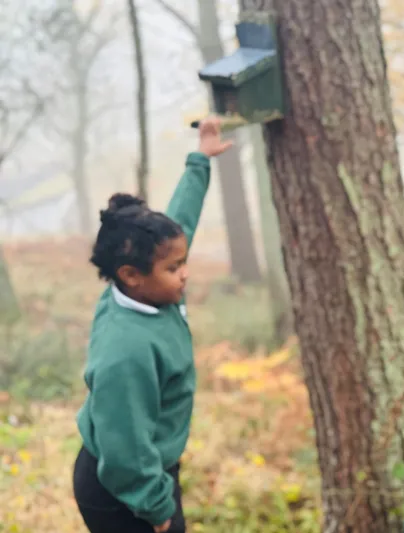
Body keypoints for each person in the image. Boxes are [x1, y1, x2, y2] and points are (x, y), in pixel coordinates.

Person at [72, 117, 233, 533]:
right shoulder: (125, 350)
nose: (185, 274)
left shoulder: (144, 289)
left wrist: (200, 159)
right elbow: (123, 447)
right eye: (174, 268)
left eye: (183, 263)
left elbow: (181, 224)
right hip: (121, 491)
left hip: (146, 472)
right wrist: (158, 508)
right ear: (131, 274)